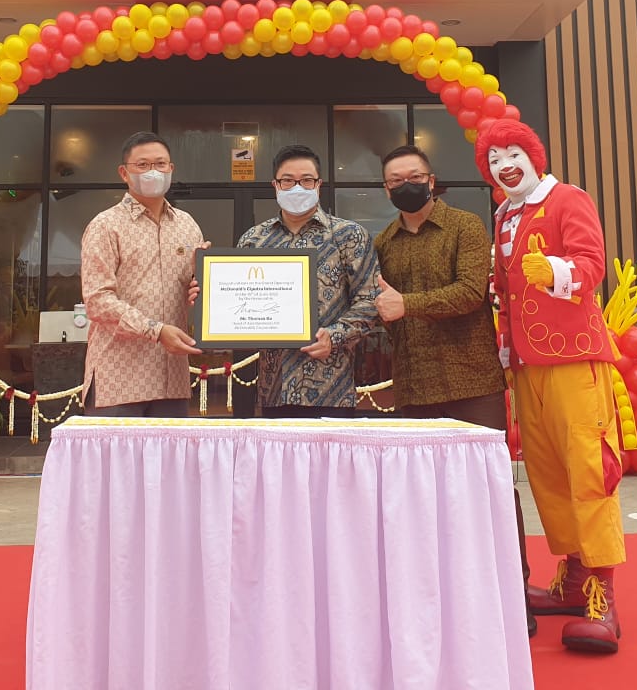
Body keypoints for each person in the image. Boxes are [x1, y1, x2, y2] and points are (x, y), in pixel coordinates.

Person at [373, 144, 535, 638]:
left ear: (431, 179)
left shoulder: (465, 226)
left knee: (490, 491)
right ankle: (438, 602)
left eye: (413, 176)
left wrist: (407, 305)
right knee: (422, 500)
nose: (405, 185)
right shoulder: (384, 242)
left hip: (471, 382)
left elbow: (470, 293)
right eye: (395, 180)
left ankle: (514, 596)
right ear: (386, 189)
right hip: (415, 386)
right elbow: (378, 305)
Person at [475, 117, 625, 655]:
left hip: (575, 359)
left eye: (512, 153)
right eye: (493, 160)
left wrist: (556, 272)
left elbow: (592, 266)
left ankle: (603, 593)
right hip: (526, 365)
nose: (505, 165)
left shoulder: (567, 199)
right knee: (548, 474)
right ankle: (574, 576)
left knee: (589, 469)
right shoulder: (503, 215)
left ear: (533, 156)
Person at [238, 144, 379, 418]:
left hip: (331, 386)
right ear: (275, 185)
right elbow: (240, 298)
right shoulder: (254, 240)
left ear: (318, 185)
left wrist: (335, 336)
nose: (297, 187)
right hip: (274, 388)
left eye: (306, 180)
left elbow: (370, 300)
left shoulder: (349, 236)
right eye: (287, 180)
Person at [79, 132, 203, 417]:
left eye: (160, 164)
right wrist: (155, 331)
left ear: (171, 169)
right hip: (118, 379)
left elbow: (192, 291)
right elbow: (98, 301)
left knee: (171, 450)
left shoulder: (188, 226)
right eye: (143, 165)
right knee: (115, 450)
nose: (153, 172)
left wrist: (204, 286)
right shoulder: (105, 226)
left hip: (172, 380)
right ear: (124, 173)